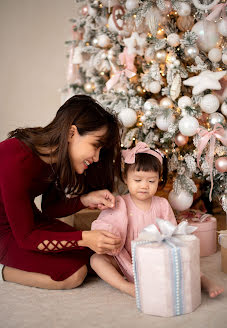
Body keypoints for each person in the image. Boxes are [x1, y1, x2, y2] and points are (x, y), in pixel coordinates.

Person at [0, 95, 122, 289]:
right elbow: (26, 237)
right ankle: (4, 271)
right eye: (95, 146)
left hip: (27, 223)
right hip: (8, 233)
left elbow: (50, 209)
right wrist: (84, 238)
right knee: (73, 274)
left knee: (96, 257)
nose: (98, 158)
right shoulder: (15, 157)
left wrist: (85, 200)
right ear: (72, 133)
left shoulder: (56, 159)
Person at [90, 142, 224, 298]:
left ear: (159, 180)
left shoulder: (162, 204)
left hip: (156, 257)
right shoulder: (120, 203)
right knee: (97, 260)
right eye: (138, 180)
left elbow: (173, 234)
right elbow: (106, 225)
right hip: (125, 257)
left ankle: (204, 281)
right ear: (126, 178)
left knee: (185, 259)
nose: (144, 186)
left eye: (151, 181)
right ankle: (125, 286)